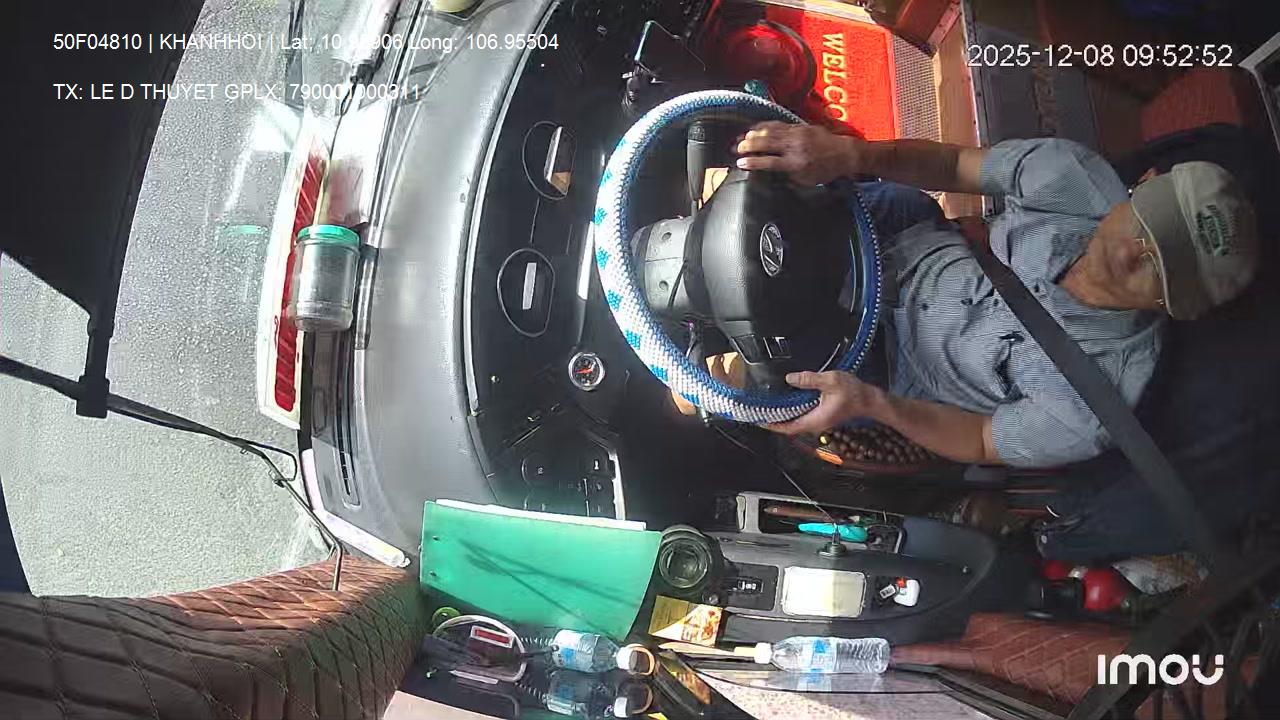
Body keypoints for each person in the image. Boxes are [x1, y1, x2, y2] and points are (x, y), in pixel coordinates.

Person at [723, 123, 1260, 468]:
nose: (1127, 253)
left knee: (726, 383)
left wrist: (872, 404)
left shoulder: (1099, 405)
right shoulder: (1074, 178)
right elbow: (956, 165)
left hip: (889, 366)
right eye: (1144, 224)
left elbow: (982, 439)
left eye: (1156, 265)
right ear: (1141, 186)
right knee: (750, 198)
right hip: (904, 239)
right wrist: (850, 153)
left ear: (1171, 306)